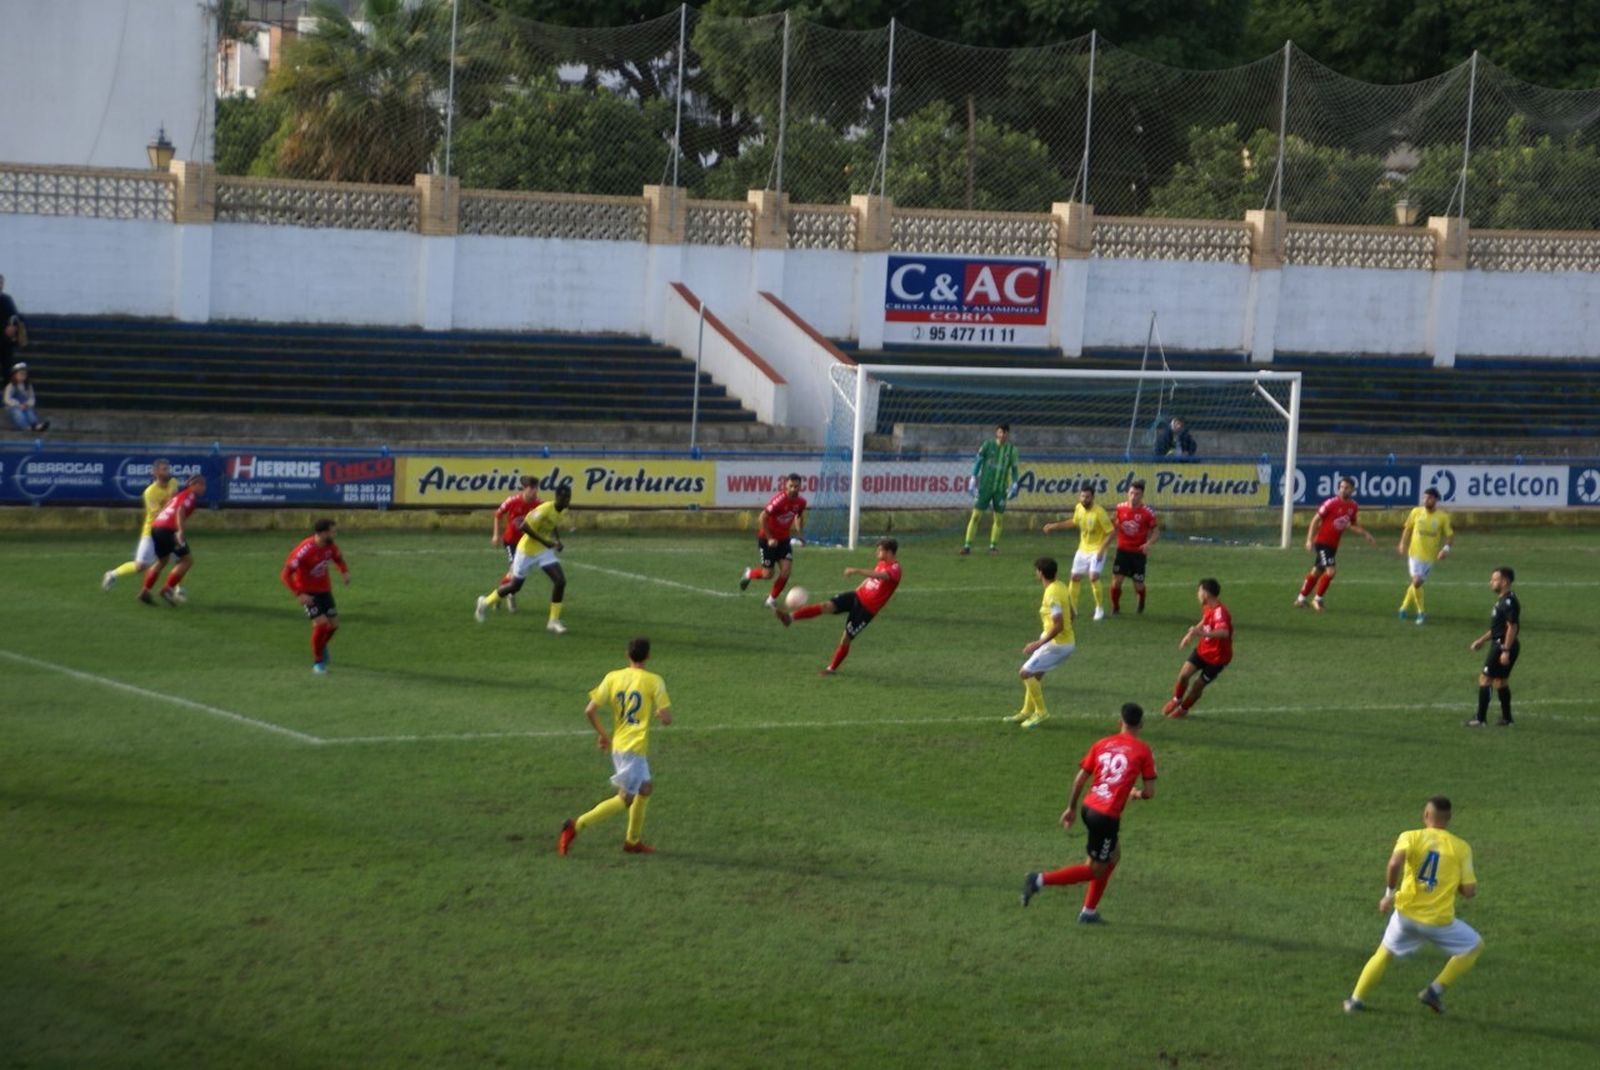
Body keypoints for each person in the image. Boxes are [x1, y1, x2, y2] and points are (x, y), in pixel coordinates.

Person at [1343, 796, 1483, 1015]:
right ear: (1449, 818)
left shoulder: (1410, 836)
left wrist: (1388, 895)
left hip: (1405, 916)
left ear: (1426, 815)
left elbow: (1394, 863)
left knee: (1384, 953)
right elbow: (1469, 892)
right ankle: (1434, 991)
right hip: (1439, 922)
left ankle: (1354, 1001)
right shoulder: (1461, 848)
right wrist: (1450, 879)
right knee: (1474, 946)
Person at [1020, 702, 1157, 922]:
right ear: (1141, 724)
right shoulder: (1143, 750)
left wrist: (1071, 808)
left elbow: (1079, 780)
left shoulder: (1102, 744)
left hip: (1089, 807)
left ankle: (1089, 911)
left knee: (1113, 855)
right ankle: (1038, 880)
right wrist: (1136, 793)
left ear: (1120, 722)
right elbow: (1149, 792)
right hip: (1106, 817)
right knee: (1095, 870)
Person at [558, 637, 674, 856]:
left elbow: (589, 710)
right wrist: (661, 715)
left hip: (621, 745)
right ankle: (575, 826)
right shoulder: (654, 681)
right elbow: (667, 719)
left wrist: (603, 735)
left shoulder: (613, 677)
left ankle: (632, 841)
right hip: (634, 748)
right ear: (649, 656)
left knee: (645, 788)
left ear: (627, 655)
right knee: (625, 799)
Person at [774, 537, 901, 675]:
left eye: (880, 550)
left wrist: (856, 570)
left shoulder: (895, 568)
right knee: (826, 605)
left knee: (846, 638)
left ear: (889, 552)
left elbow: (882, 576)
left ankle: (831, 668)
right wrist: (858, 589)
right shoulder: (882, 563)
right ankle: (790, 618)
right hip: (856, 596)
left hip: (866, 609)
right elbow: (871, 578)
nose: (877, 552)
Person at [476, 485, 571, 633]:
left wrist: (557, 541)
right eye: (565, 498)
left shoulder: (563, 510)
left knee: (560, 581)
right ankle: (485, 602)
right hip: (526, 551)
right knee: (515, 586)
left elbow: (552, 524)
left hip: (543, 551)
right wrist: (545, 541)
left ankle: (553, 621)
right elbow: (524, 526)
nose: (567, 501)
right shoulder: (545, 508)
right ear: (557, 497)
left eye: (568, 498)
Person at [1007, 557, 1076, 729]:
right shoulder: (1061, 586)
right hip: (1061, 641)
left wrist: (1039, 643)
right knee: (1035, 676)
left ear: (1040, 573)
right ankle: (1026, 712)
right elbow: (1073, 613)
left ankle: (1041, 712)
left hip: (1057, 644)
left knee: (1025, 673)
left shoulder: (1052, 594)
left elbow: (1058, 625)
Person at [1295, 475, 1375, 611]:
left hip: (1333, 545)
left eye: (1347, 488)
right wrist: (1309, 539)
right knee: (1331, 572)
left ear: (1353, 490)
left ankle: (1300, 599)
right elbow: (1315, 520)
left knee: (1317, 571)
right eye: (1341, 487)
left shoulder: (1353, 506)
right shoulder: (1330, 503)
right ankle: (1317, 600)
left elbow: (1351, 524)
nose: (1343, 490)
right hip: (1322, 543)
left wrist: (1365, 534)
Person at [282, 518, 350, 674]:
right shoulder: (304, 550)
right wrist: (299, 594)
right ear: (323, 533)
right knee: (322, 625)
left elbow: (338, 559)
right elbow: (285, 574)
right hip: (309, 593)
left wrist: (344, 572)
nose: (335, 534)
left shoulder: (330, 546)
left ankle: (320, 645)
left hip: (325, 591)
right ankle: (318, 663)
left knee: (334, 626)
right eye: (332, 532)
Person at [102, 458, 176, 591]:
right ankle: (112, 574)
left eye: (168, 469)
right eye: (164, 469)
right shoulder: (150, 492)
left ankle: (173, 588)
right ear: (155, 472)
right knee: (140, 566)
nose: (168, 472)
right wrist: (171, 503)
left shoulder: (173, 483)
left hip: (167, 531)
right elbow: (159, 514)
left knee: (182, 560)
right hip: (151, 532)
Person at [1163, 577, 1233, 718]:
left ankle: (1184, 708)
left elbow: (1224, 632)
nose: (1198, 594)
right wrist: (1190, 634)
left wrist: (1202, 633)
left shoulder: (1220, 612)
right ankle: (1176, 699)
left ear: (1206, 593)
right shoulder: (1207, 606)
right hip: (1203, 651)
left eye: (1199, 591)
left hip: (1217, 659)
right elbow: (1205, 619)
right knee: (1183, 675)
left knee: (1197, 686)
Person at [1042, 484, 1112, 621]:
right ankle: (1072, 608)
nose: (1084, 499)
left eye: (1087, 497)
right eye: (1082, 496)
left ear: (1093, 497)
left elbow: (1111, 532)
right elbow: (1074, 521)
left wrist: (1101, 549)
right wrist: (1054, 525)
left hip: (1097, 549)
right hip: (1083, 549)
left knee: (1093, 577)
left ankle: (1099, 608)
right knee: (1074, 577)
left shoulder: (1099, 512)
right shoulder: (1079, 508)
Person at [740, 472, 807, 608]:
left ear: (800, 487)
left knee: (786, 571)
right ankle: (749, 574)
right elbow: (762, 517)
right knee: (768, 574)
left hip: (784, 540)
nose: (793, 489)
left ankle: (771, 600)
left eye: (796, 486)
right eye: (791, 486)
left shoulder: (801, 502)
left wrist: (800, 534)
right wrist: (770, 538)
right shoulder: (778, 501)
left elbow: (798, 516)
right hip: (767, 540)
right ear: (785, 485)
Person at [139, 474, 205, 605]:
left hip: (156, 527)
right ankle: (167, 588)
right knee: (186, 560)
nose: (204, 488)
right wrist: (180, 531)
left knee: (162, 560)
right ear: (193, 485)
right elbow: (180, 510)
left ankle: (145, 591)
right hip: (168, 530)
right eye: (202, 485)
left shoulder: (178, 495)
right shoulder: (190, 495)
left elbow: (168, 509)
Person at [1465, 567, 1520, 727]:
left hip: (1503, 645)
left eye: (1495, 579)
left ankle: (1480, 719)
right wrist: (1482, 640)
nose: (1491, 582)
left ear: (1505, 582)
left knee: (1485, 679)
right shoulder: (1504, 600)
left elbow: (1512, 627)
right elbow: (1499, 628)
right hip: (1504, 644)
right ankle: (1507, 719)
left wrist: (1505, 650)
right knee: (1500, 682)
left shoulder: (1508, 602)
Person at [1398, 486, 1454, 625]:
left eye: (1429, 498)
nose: (1425, 500)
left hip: (1429, 557)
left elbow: (1449, 535)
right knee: (1417, 581)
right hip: (1415, 554)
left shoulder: (1442, 517)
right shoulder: (1416, 512)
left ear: (1435, 499)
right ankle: (1421, 613)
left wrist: (1445, 549)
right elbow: (1407, 529)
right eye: (1424, 497)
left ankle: (1403, 607)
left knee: (1416, 584)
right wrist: (1402, 543)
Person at [961, 423, 1019, 555]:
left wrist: (1015, 483)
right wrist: (973, 478)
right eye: (1001, 432)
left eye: (1005, 432)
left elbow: (1014, 469)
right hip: (985, 487)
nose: (1003, 435)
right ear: (996, 433)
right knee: (976, 516)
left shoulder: (1012, 450)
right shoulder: (987, 445)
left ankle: (993, 547)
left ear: (1008, 434)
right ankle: (967, 546)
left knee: (998, 519)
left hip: (1000, 489)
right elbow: (978, 462)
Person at [490, 477, 541, 613]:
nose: (534, 491)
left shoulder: (538, 504)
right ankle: (504, 595)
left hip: (526, 543)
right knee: (514, 570)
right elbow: (498, 515)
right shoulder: (512, 501)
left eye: (536, 488)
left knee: (519, 573)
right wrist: (496, 535)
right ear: (524, 488)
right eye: (531, 488)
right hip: (511, 541)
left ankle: (504, 593)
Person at [1110, 479, 1159, 614]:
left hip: (1138, 553)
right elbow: (1115, 525)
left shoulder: (1147, 512)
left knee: (1138, 585)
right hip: (1122, 551)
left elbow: (1156, 531)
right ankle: (1115, 607)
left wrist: (1148, 543)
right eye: (1131, 493)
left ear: (1142, 495)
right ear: (1127, 493)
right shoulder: (1120, 508)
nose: (1133, 496)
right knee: (1116, 581)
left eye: (1137, 494)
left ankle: (1141, 600)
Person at [4, 362, 48, 432]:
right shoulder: (11, 386)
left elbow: (31, 397)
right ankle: (26, 427)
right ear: (15, 375)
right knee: (18, 414)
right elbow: (7, 399)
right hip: (13, 407)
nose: (22, 376)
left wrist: (27, 404)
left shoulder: (28, 386)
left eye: (24, 374)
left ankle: (35, 425)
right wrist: (17, 404)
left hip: (25, 405)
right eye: (20, 374)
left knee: (30, 412)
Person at [0, 274, 26, 375]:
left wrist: (13, 326)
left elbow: (16, 316)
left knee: (7, 369)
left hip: (5, 341)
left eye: (1, 283)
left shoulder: (6, 299)